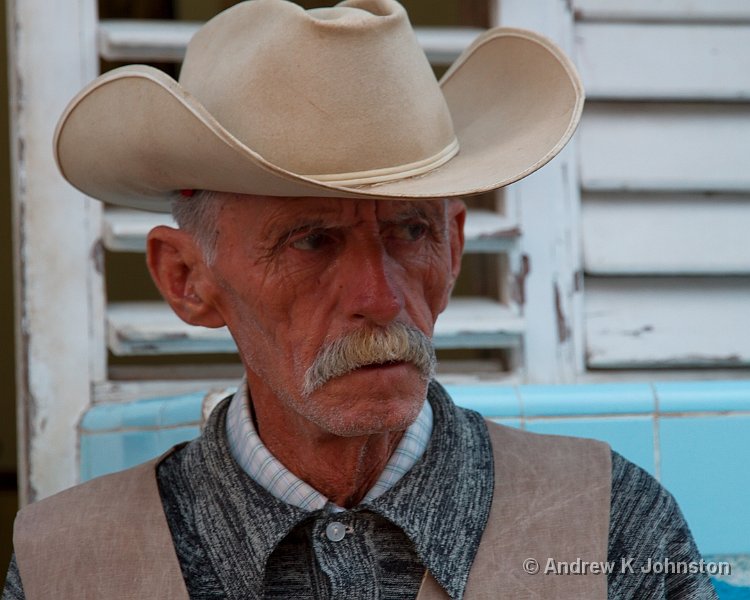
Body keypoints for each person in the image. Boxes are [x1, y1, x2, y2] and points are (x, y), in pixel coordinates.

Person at [5, 0, 717, 598]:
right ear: (187, 280)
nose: (379, 298)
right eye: (311, 241)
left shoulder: (609, 523)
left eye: (411, 231)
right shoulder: (64, 566)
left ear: (456, 245)